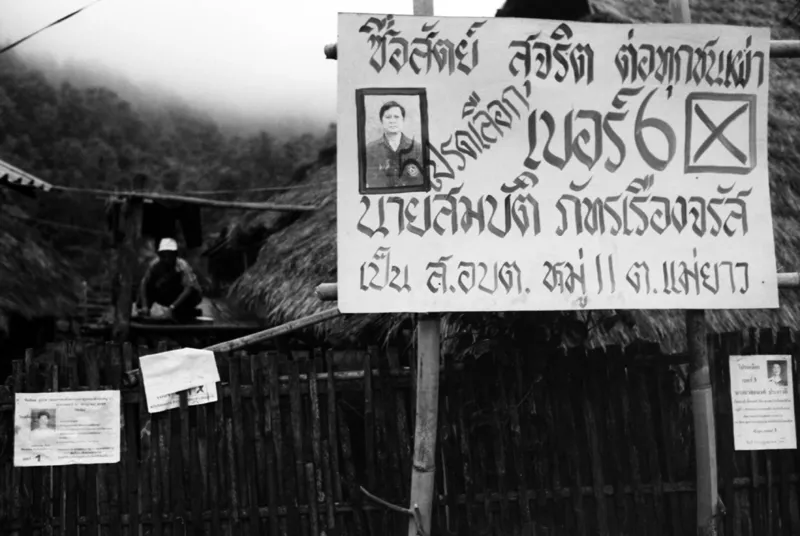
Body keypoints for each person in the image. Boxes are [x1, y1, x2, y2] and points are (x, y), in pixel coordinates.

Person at [138, 238, 203, 322]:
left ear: (175, 255)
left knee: (185, 304)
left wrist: (172, 307)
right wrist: (144, 305)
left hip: (186, 295)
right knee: (146, 292)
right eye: (164, 255)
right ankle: (145, 312)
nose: (167, 258)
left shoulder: (182, 265)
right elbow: (144, 283)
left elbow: (188, 289)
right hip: (168, 293)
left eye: (170, 255)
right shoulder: (155, 265)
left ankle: (186, 311)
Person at [364, 100, 424, 189]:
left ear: (402, 120)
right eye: (388, 117)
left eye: (396, 117)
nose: (392, 121)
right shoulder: (370, 149)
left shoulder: (417, 148)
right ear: (381, 120)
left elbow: (421, 181)